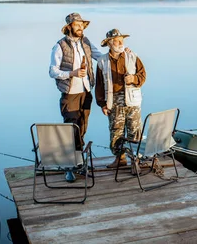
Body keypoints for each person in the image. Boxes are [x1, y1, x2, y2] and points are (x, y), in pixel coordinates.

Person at [48, 13, 103, 182]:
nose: (81, 28)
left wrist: (121, 54)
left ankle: (79, 164)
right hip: (70, 94)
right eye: (77, 25)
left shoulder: (85, 42)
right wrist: (72, 73)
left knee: (82, 129)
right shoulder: (60, 45)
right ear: (70, 26)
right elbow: (52, 71)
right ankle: (69, 168)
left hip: (86, 92)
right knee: (71, 130)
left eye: (82, 25)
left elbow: (101, 57)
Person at [95, 29, 147, 169]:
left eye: (121, 41)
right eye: (117, 41)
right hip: (114, 100)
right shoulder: (102, 61)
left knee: (135, 131)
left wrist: (133, 78)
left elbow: (143, 76)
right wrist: (102, 104)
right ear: (109, 44)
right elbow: (99, 85)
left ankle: (136, 160)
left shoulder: (132, 56)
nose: (120, 43)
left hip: (133, 100)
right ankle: (120, 158)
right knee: (116, 131)